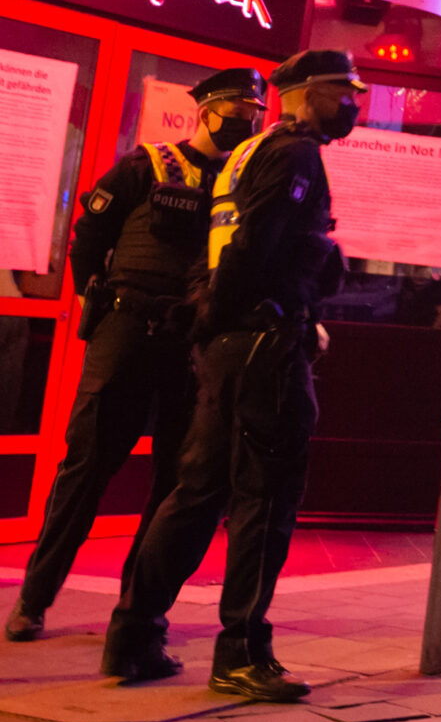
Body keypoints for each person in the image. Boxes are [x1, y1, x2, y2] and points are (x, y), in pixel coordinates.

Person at [103, 51, 362, 699]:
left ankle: (133, 637)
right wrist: (269, 318)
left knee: (197, 493)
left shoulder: (249, 153)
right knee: (265, 500)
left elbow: (218, 249)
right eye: (340, 90)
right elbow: (256, 247)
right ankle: (242, 654)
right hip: (264, 346)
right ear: (301, 94)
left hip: (231, 343)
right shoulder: (295, 155)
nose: (352, 102)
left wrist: (211, 326)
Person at [6, 69, 267, 644]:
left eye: (255, 113)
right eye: (236, 109)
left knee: (177, 481)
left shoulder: (244, 183)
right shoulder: (147, 165)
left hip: (192, 344)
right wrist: (88, 298)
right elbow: (89, 236)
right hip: (127, 329)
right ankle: (34, 598)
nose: (246, 121)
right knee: (86, 470)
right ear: (204, 111)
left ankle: (138, 607)